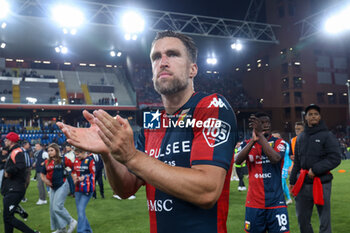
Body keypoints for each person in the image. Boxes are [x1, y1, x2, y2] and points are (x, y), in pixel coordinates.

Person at [57, 30, 237, 233]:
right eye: (156, 57)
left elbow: (207, 190)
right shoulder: (152, 121)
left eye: (173, 54)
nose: (163, 61)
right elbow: (125, 189)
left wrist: (132, 157)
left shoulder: (212, 106)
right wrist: (108, 153)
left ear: (192, 69)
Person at [289, 104, 341, 233]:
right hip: (302, 183)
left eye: (316, 114)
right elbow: (297, 162)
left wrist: (316, 169)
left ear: (320, 117)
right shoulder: (300, 137)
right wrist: (291, 181)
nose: (313, 116)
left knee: (324, 220)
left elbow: (335, 158)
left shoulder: (327, 135)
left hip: (322, 183)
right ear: (305, 118)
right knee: (302, 219)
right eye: (310, 114)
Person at [235, 113, 289, 233]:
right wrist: (253, 141)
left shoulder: (278, 142)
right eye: (262, 123)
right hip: (254, 203)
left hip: (276, 202)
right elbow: (238, 161)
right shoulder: (246, 143)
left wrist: (260, 136)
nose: (266, 125)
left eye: (268, 123)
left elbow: (275, 158)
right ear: (255, 125)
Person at [1, 132, 40, 233]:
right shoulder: (13, 151)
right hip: (12, 188)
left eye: (6, 139)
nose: (4, 141)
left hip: (15, 189)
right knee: (8, 218)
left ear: (11, 141)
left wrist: (8, 171)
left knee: (8, 218)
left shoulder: (17, 152)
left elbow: (21, 166)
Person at [41, 143, 77, 233]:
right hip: (52, 187)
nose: (49, 152)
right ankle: (62, 228)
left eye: (51, 150)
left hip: (63, 185)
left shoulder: (63, 159)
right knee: (52, 209)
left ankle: (71, 221)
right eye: (48, 151)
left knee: (57, 207)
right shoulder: (46, 162)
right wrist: (45, 181)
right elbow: (42, 174)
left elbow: (73, 167)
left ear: (56, 150)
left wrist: (74, 177)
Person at [72, 148, 95, 233]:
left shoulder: (90, 160)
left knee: (81, 209)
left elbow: (93, 173)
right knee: (80, 211)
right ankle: (88, 230)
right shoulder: (76, 160)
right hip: (78, 188)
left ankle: (81, 231)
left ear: (83, 152)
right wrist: (74, 177)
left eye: (78, 154)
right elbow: (73, 171)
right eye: (75, 154)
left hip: (87, 189)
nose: (76, 156)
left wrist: (84, 177)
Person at [271, 131, 293, 205]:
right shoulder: (274, 145)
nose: (272, 138)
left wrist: (290, 166)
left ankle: (279, 200)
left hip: (284, 167)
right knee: (283, 184)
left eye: (274, 137)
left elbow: (289, 156)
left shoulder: (284, 145)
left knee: (280, 184)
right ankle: (289, 199)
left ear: (279, 137)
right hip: (279, 167)